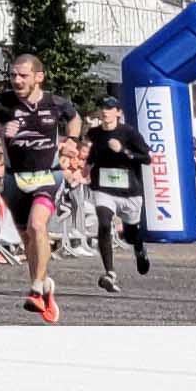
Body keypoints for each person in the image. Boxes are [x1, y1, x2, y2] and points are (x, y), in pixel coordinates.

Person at [0, 52, 78, 323]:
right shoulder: (1, 103)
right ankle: (43, 286)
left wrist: (73, 140)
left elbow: (74, 117)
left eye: (23, 75)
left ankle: (35, 288)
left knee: (37, 226)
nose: (17, 80)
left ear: (38, 77)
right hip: (14, 179)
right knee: (29, 238)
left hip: (48, 175)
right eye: (12, 75)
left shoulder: (54, 102)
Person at [76, 98, 156, 291]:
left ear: (118, 112)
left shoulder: (129, 133)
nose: (105, 112)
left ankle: (139, 248)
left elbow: (147, 158)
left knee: (130, 235)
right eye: (103, 108)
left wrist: (124, 151)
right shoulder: (94, 133)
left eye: (110, 108)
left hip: (130, 191)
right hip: (104, 189)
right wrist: (86, 171)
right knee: (103, 223)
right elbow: (94, 154)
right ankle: (110, 273)